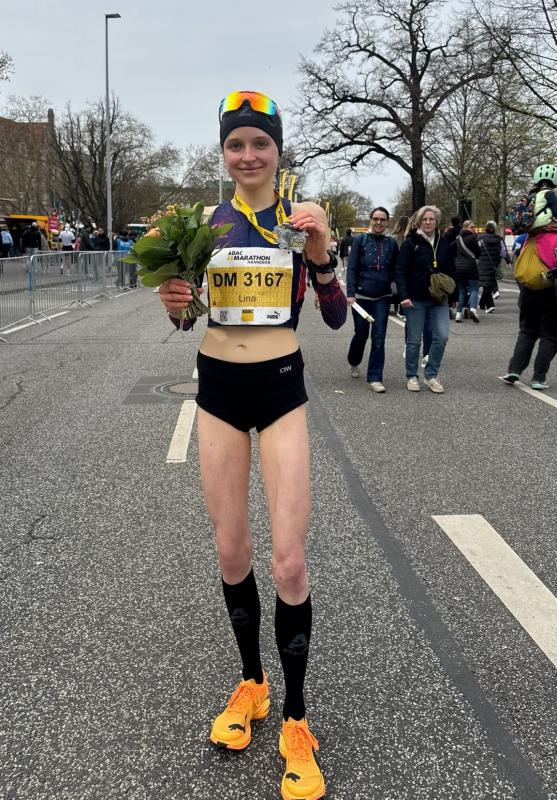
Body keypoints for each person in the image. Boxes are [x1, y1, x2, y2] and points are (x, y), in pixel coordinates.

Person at [158, 90, 346, 800]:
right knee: (231, 550)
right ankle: (252, 684)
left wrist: (321, 255)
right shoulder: (200, 224)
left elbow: (335, 317)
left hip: (280, 388)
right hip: (218, 390)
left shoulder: (302, 218)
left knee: (289, 560)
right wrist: (176, 305)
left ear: (276, 149)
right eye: (235, 144)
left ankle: (296, 718)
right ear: (223, 152)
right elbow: (188, 318)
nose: (247, 155)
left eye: (259, 143)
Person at [396, 205, 454, 393]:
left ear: (437, 222)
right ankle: (412, 376)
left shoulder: (444, 242)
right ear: (419, 222)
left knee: (442, 337)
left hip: (439, 298)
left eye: (431, 219)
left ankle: (431, 375)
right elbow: (400, 270)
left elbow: (451, 269)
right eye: (425, 219)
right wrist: (403, 296)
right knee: (414, 340)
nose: (428, 222)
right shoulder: (410, 242)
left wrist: (453, 296)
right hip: (415, 298)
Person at [346, 206, 398, 392]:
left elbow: (396, 269)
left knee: (379, 337)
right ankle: (354, 360)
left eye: (382, 219)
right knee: (361, 334)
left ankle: (375, 377)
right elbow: (352, 268)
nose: (378, 222)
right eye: (375, 219)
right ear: (371, 220)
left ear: (387, 222)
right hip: (361, 297)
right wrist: (350, 294)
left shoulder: (392, 243)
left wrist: (400, 292)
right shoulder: (360, 240)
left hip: (382, 297)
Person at [501, 283, 557, 389]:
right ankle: (538, 378)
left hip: (528, 293)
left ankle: (514, 370)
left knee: (527, 333)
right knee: (550, 338)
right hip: (552, 296)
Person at [478, 221, 509, 313]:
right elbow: (503, 252)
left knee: (486, 284)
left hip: (482, 263)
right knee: (489, 283)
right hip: (494, 264)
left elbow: (476, 250)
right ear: (494, 229)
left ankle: (490, 305)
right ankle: (482, 304)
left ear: (486, 228)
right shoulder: (499, 239)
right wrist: (508, 260)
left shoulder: (480, 238)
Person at [454, 220, 480, 323]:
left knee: (461, 291)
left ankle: (458, 314)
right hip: (470, 267)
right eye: (472, 227)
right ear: (466, 227)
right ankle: (473, 309)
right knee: (474, 289)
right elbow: (478, 252)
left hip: (459, 268)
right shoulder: (472, 238)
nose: (474, 229)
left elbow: (452, 249)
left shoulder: (457, 238)